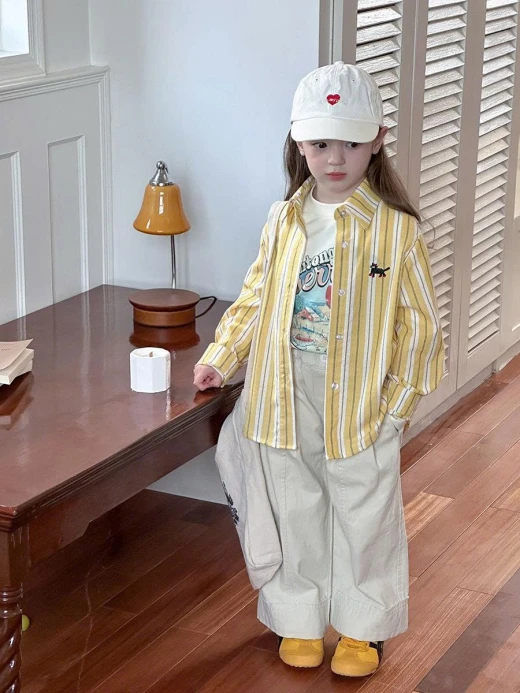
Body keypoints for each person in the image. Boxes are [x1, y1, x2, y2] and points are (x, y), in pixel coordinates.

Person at [193, 61, 445, 678]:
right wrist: (221, 358)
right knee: (294, 505)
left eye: (351, 144)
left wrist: (397, 406)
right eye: (321, 143)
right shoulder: (283, 220)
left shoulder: (395, 232)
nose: (335, 158)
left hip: (360, 397)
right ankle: (298, 618)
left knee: (365, 513)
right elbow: (255, 298)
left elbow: (419, 325)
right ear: (298, 142)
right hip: (284, 390)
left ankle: (363, 629)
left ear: (377, 141)